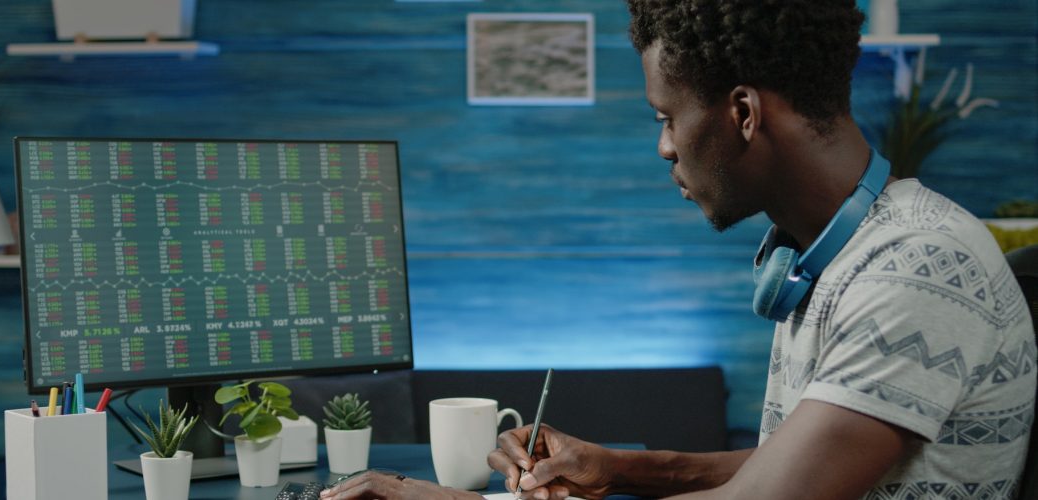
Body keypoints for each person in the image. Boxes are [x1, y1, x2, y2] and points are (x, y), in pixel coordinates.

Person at [320, 1, 1036, 499]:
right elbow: (791, 468)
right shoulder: (838, 254)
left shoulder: (912, 270)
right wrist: (622, 469)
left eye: (667, 118)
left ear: (744, 114)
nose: (663, 147)